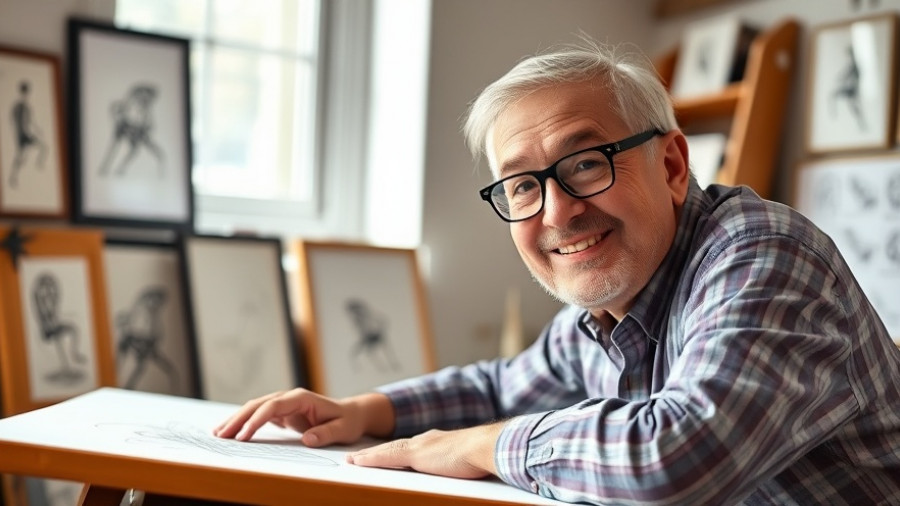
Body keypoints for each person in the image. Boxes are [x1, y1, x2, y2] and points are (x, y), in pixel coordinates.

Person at [215, 38, 900, 504]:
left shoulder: (763, 255)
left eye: (584, 164)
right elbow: (502, 386)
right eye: (521, 186)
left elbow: (679, 459)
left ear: (670, 165)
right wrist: (366, 409)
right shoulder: (610, 309)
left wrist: (484, 447)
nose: (558, 213)